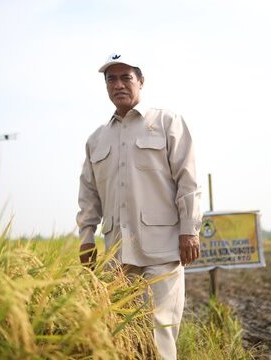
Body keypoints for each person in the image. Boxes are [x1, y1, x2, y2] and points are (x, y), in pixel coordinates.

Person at [76, 52, 202, 359]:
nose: (118, 84)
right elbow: (89, 193)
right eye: (111, 79)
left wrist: (190, 231)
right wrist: (86, 237)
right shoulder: (96, 139)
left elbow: (188, 180)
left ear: (141, 81)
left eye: (126, 77)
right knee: (121, 334)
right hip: (117, 253)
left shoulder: (167, 122)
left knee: (160, 333)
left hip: (163, 249)